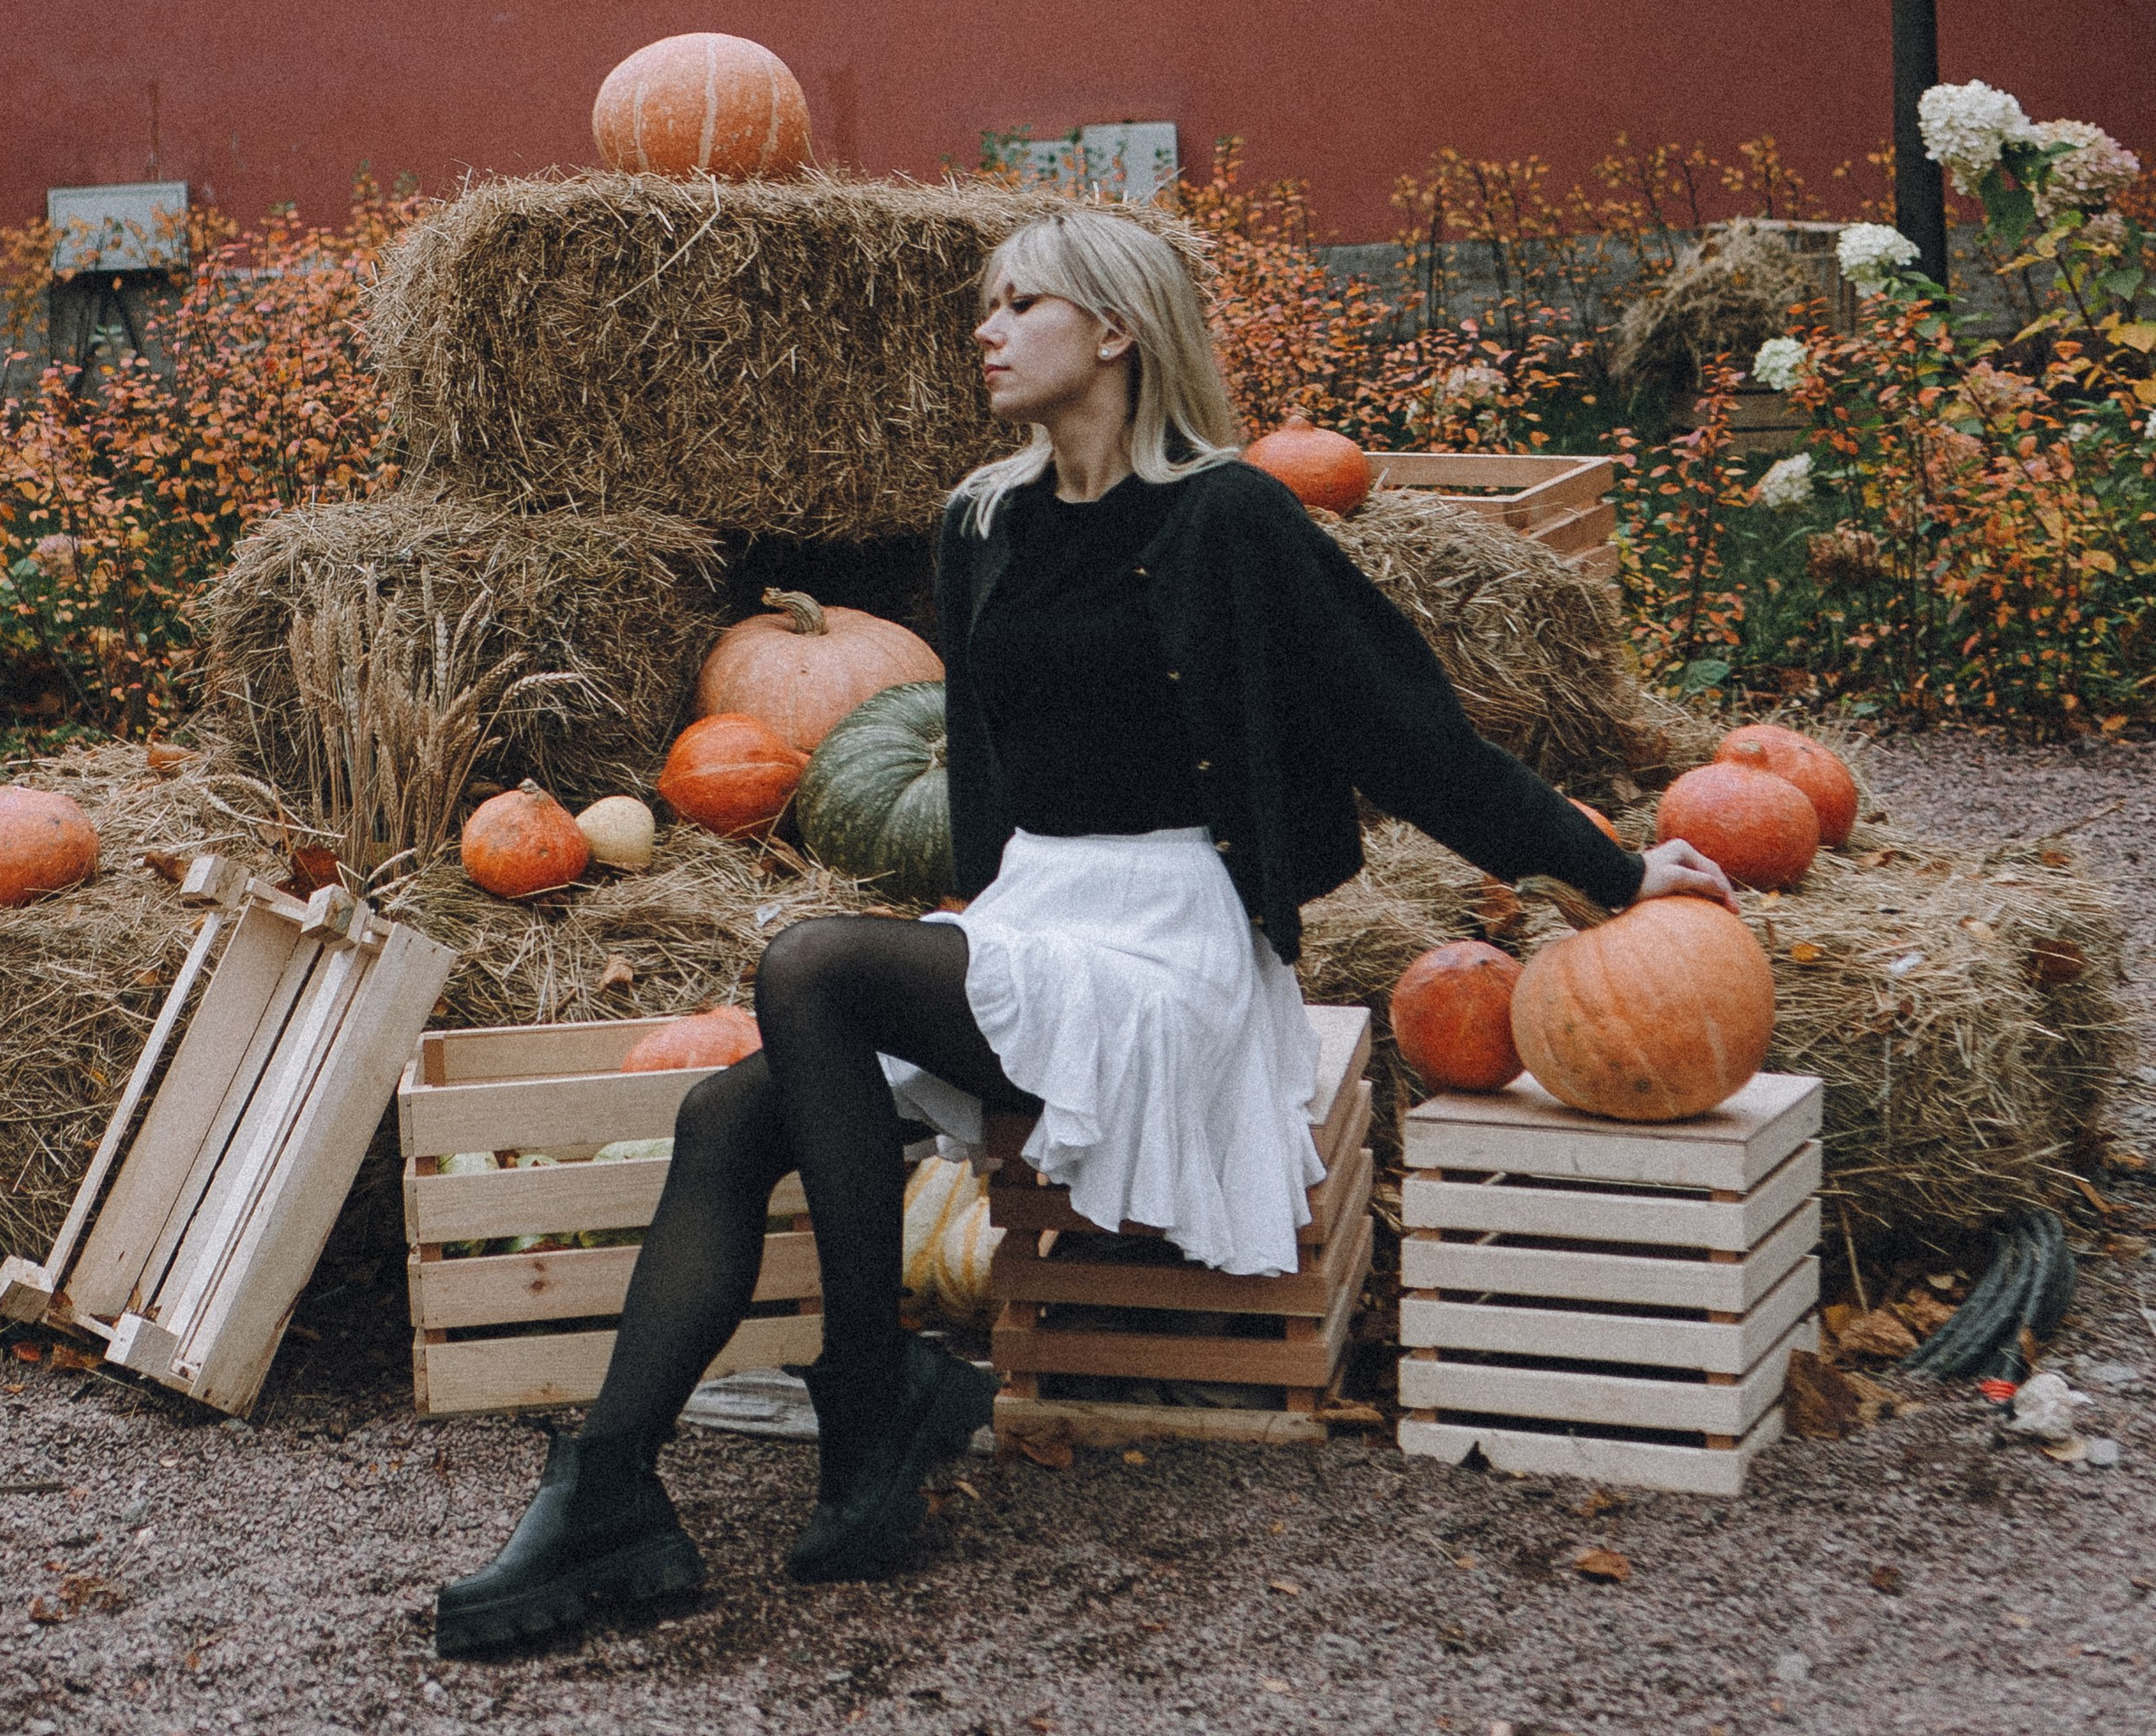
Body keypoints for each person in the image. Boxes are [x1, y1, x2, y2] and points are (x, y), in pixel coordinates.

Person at [436, 209, 1735, 1649]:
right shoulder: (981, 521)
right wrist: (975, 924)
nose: (985, 329)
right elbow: (991, 767)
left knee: (813, 957)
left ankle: (871, 1392)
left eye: (1020, 302)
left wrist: (1617, 880)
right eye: (986, 305)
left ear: (1115, 329)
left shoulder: (1233, 518)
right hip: (1038, 928)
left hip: (1174, 946)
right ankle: (617, 1486)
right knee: (731, 1116)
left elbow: (1409, 737)